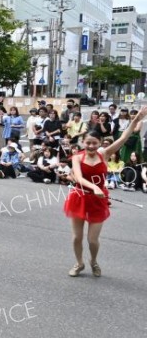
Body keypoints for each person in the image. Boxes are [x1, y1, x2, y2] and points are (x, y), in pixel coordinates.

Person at [63, 105, 147, 277]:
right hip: (79, 197)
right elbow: (78, 178)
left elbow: (124, 137)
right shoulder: (78, 157)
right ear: (83, 142)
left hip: (98, 200)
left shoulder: (105, 154)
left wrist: (137, 119)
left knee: (92, 240)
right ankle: (79, 263)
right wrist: (94, 186)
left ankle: (93, 261)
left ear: (100, 143)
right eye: (88, 143)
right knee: (76, 237)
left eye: (95, 143)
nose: (91, 146)